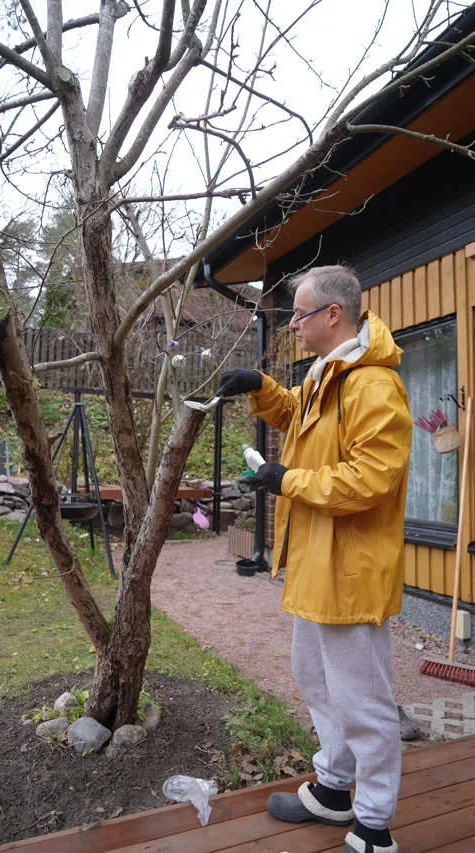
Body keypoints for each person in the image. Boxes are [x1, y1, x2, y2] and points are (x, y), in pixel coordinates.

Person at [216, 265, 412, 853]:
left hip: (349, 572)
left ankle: (374, 824)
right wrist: (259, 385)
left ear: (333, 314)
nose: (293, 325)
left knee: (363, 701)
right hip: (316, 566)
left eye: (300, 314)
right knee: (317, 682)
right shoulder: (329, 374)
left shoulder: (373, 386)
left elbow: (371, 479)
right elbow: (294, 411)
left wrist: (286, 480)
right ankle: (334, 787)